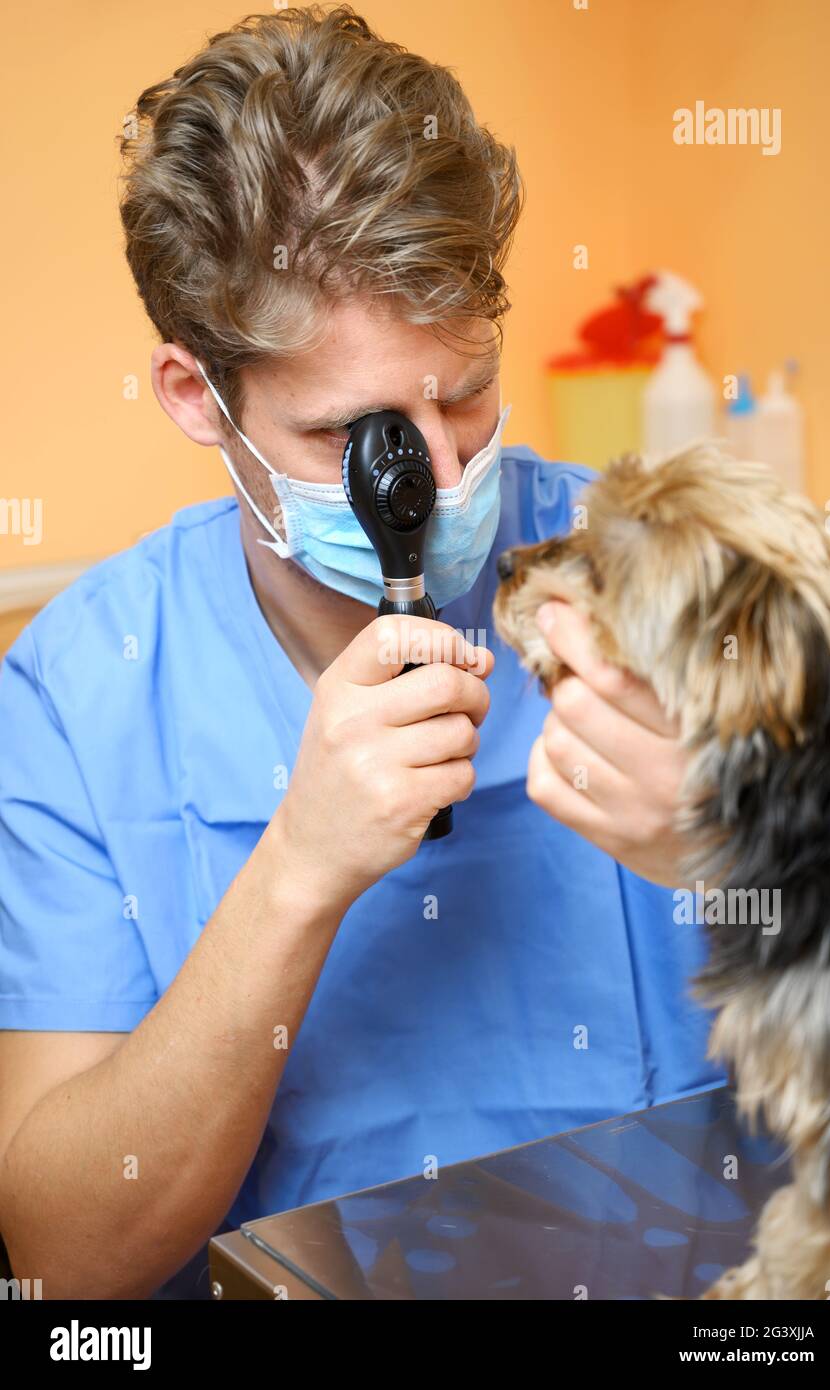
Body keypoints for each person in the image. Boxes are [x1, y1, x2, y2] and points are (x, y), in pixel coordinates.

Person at [0, 6, 722, 1300]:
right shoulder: (80, 689)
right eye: (358, 434)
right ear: (194, 397)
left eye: (468, 393)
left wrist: (756, 855)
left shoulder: (670, 571)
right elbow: (65, 1262)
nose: (444, 483)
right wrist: (297, 870)